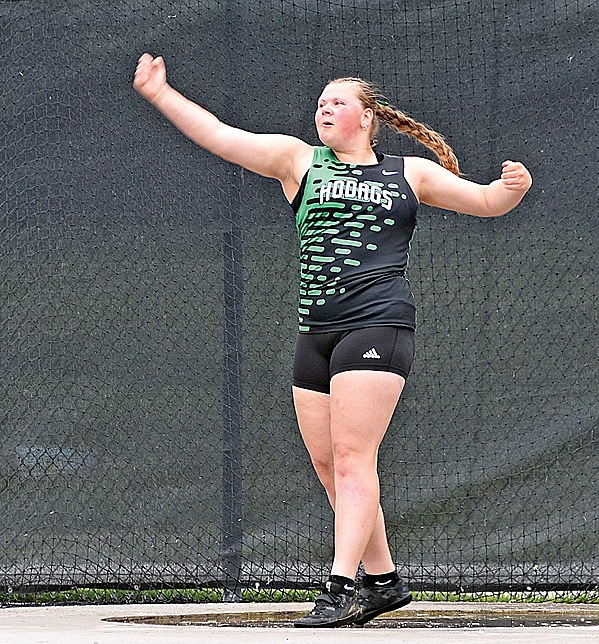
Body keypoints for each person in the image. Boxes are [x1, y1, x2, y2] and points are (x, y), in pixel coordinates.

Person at [133, 53, 532, 628]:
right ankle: (385, 582)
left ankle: (342, 586)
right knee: (327, 463)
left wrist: (509, 188)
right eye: (320, 102)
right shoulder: (298, 162)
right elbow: (219, 135)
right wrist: (161, 94)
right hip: (316, 332)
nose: (324, 108)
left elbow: (487, 203)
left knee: (352, 457)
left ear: (368, 117)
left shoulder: (409, 174)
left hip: (378, 326)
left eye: (338, 102)